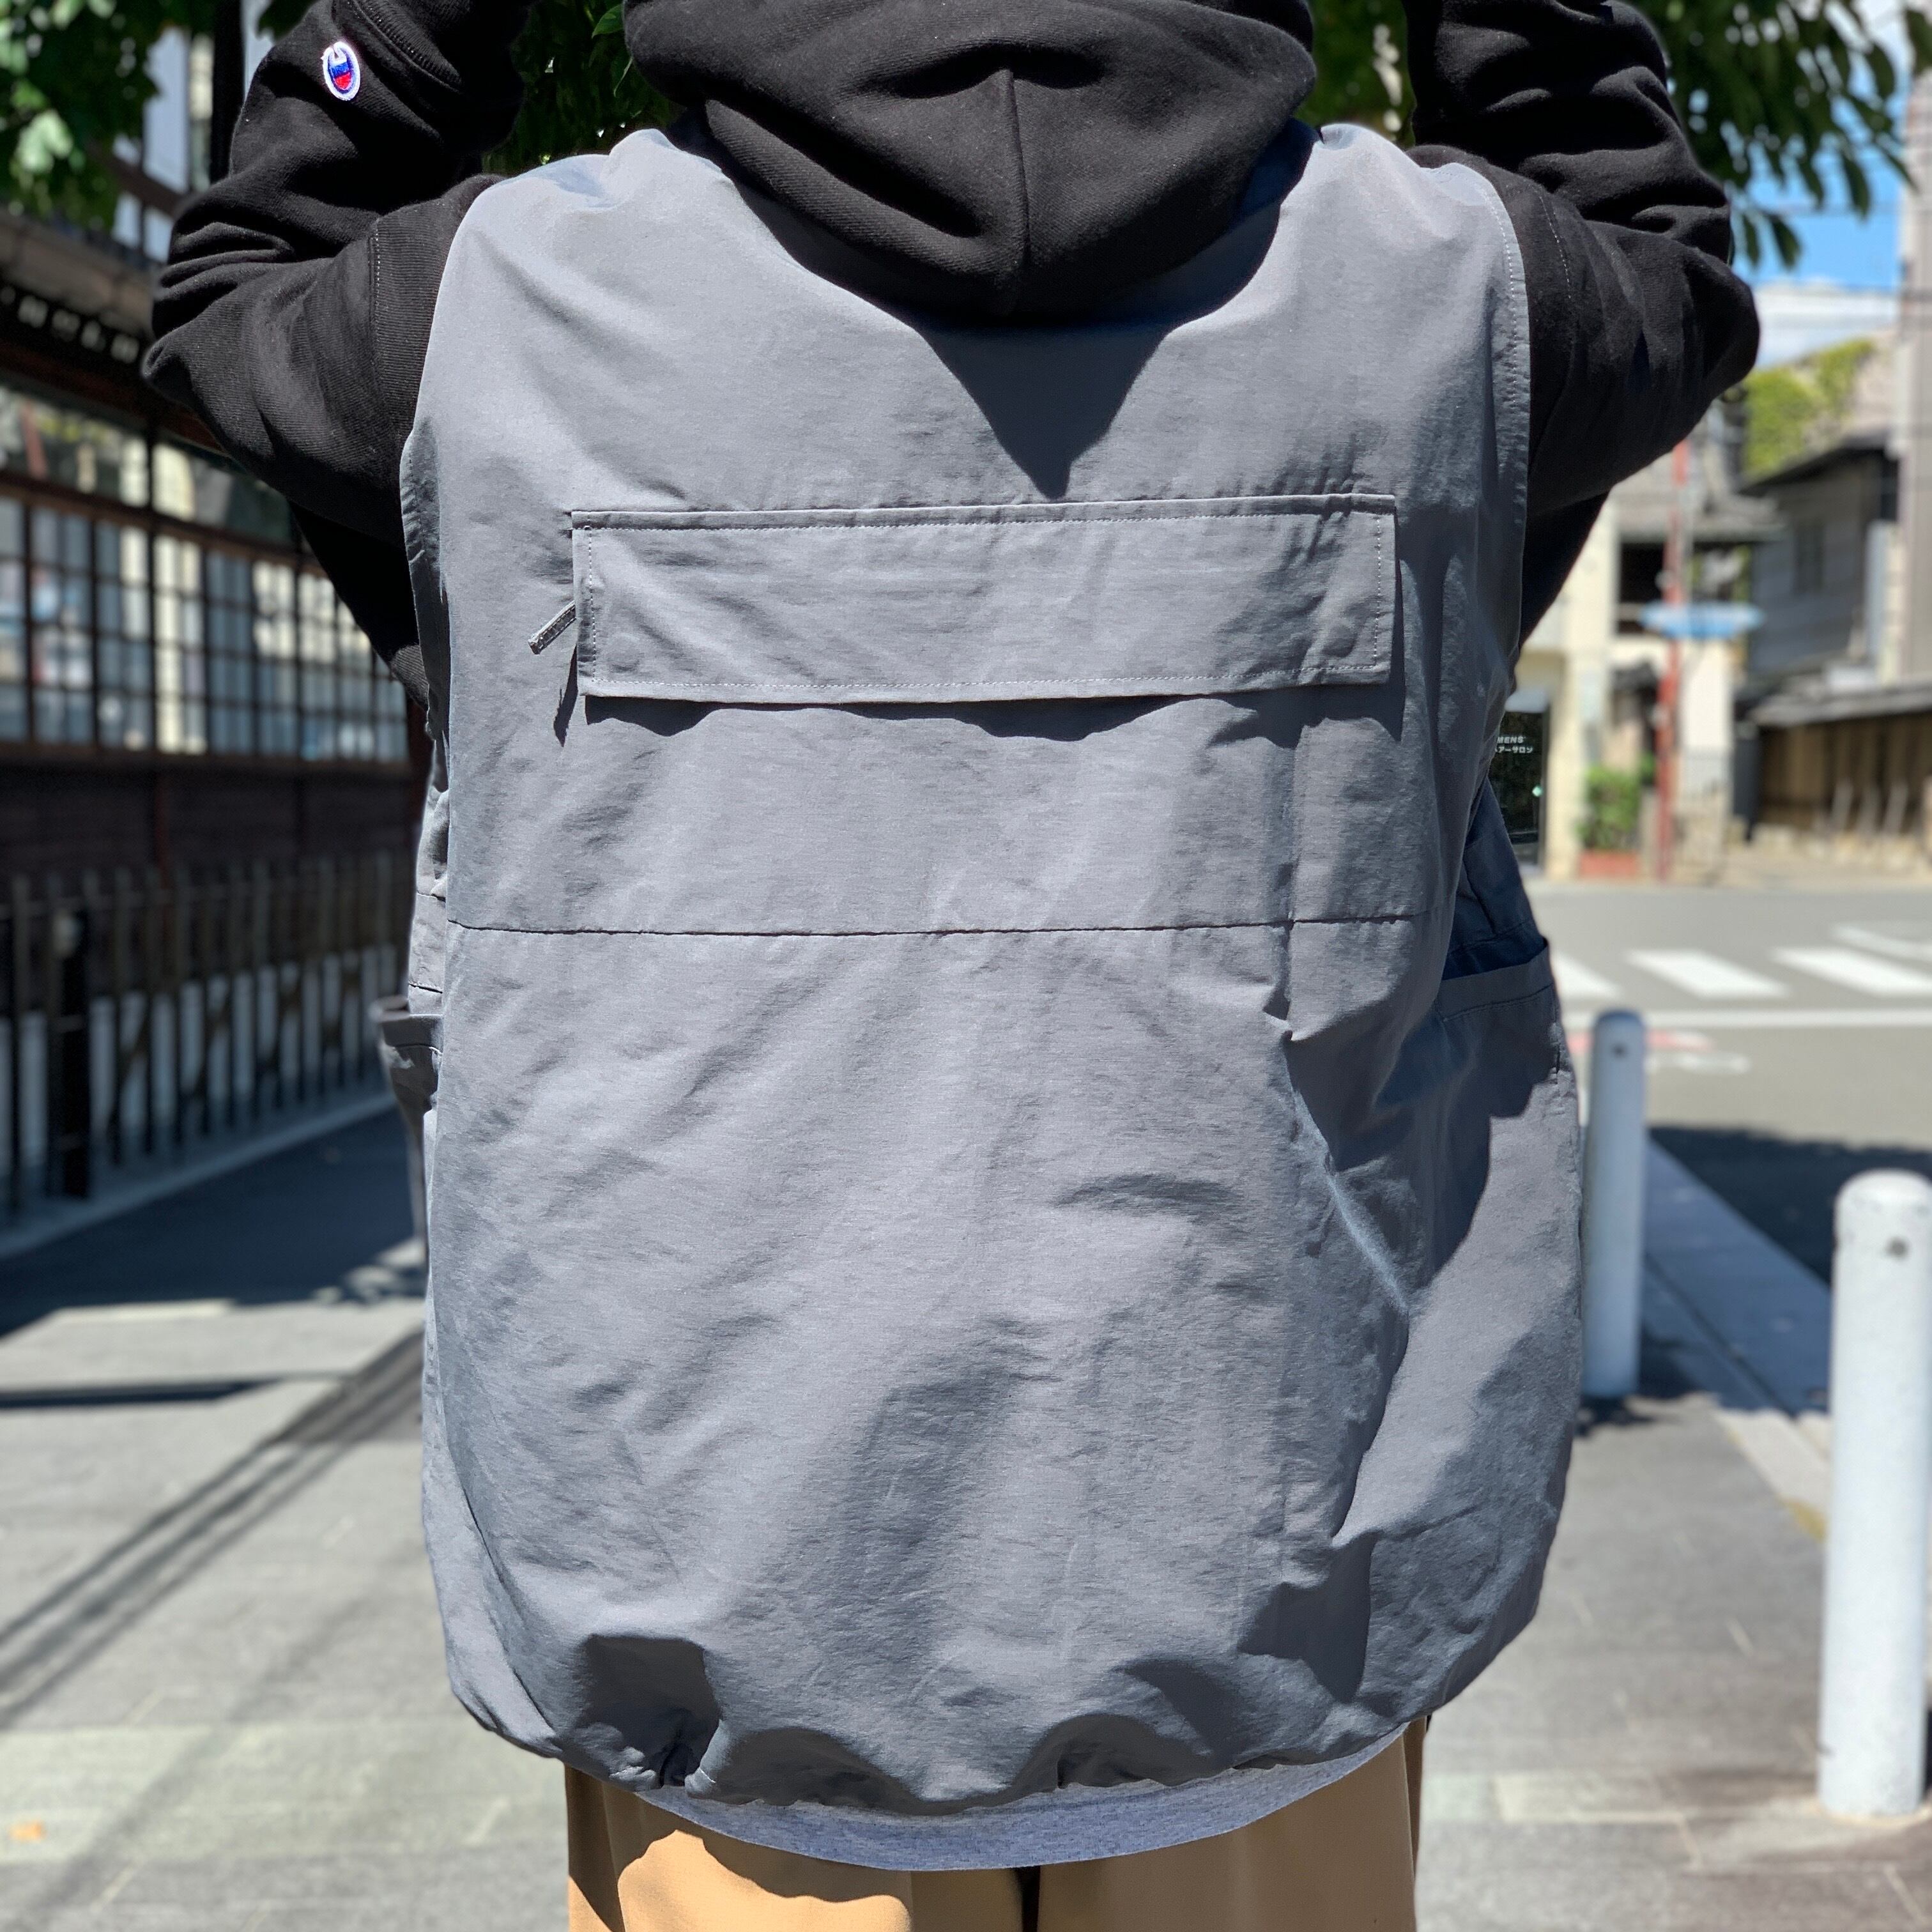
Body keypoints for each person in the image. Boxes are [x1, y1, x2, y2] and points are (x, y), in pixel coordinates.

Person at [147, 0, 1756, 1924]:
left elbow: (235, 299)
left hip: (723, 1672)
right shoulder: (1445, 303)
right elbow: (1660, 267)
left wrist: (408, 34)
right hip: (1276, 1634)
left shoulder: (488, 317)